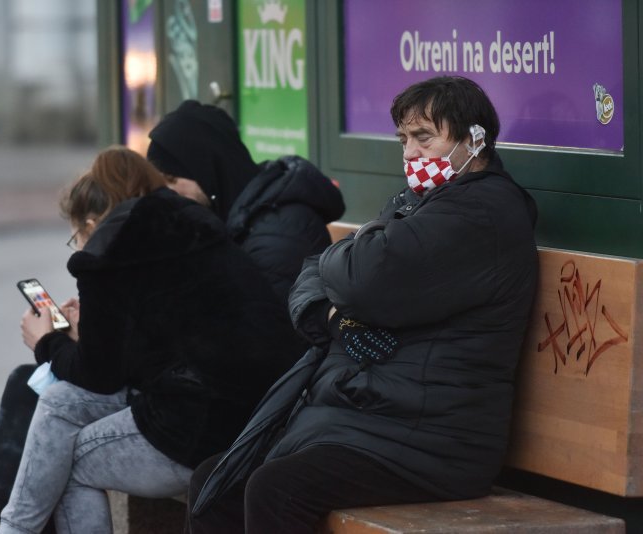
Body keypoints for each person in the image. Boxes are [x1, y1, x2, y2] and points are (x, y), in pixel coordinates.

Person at [185, 75, 539, 533]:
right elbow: (316, 267)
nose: (411, 152)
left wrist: (345, 264)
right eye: (403, 139)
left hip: (434, 440)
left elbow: (362, 276)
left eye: (424, 137)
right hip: (377, 419)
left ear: (475, 139)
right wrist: (332, 314)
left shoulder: (480, 213)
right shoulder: (424, 203)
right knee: (215, 482)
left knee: (276, 488)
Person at [0, 147, 300, 534]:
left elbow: (98, 376)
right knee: (58, 402)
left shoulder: (110, 251)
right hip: (263, 415)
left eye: (76, 236)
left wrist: (46, 343)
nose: (79, 245)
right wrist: (85, 334)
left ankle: (8, 528)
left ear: (91, 224)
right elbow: (167, 346)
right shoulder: (191, 227)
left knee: (67, 461)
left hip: (203, 429)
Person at [146, 99, 345, 305]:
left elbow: (270, 327)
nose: (166, 192)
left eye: (171, 180)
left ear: (206, 172)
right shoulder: (229, 214)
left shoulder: (279, 234)